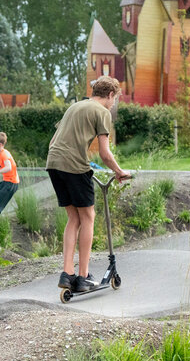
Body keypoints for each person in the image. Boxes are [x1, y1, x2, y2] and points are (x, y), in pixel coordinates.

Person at [46, 75, 130, 293]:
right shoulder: (102, 112)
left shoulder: (74, 107)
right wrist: (119, 172)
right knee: (88, 216)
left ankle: (68, 273)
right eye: (114, 100)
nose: (113, 105)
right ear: (110, 95)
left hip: (53, 163)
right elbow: (105, 153)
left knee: (73, 217)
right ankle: (83, 277)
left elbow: (53, 142)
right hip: (74, 165)